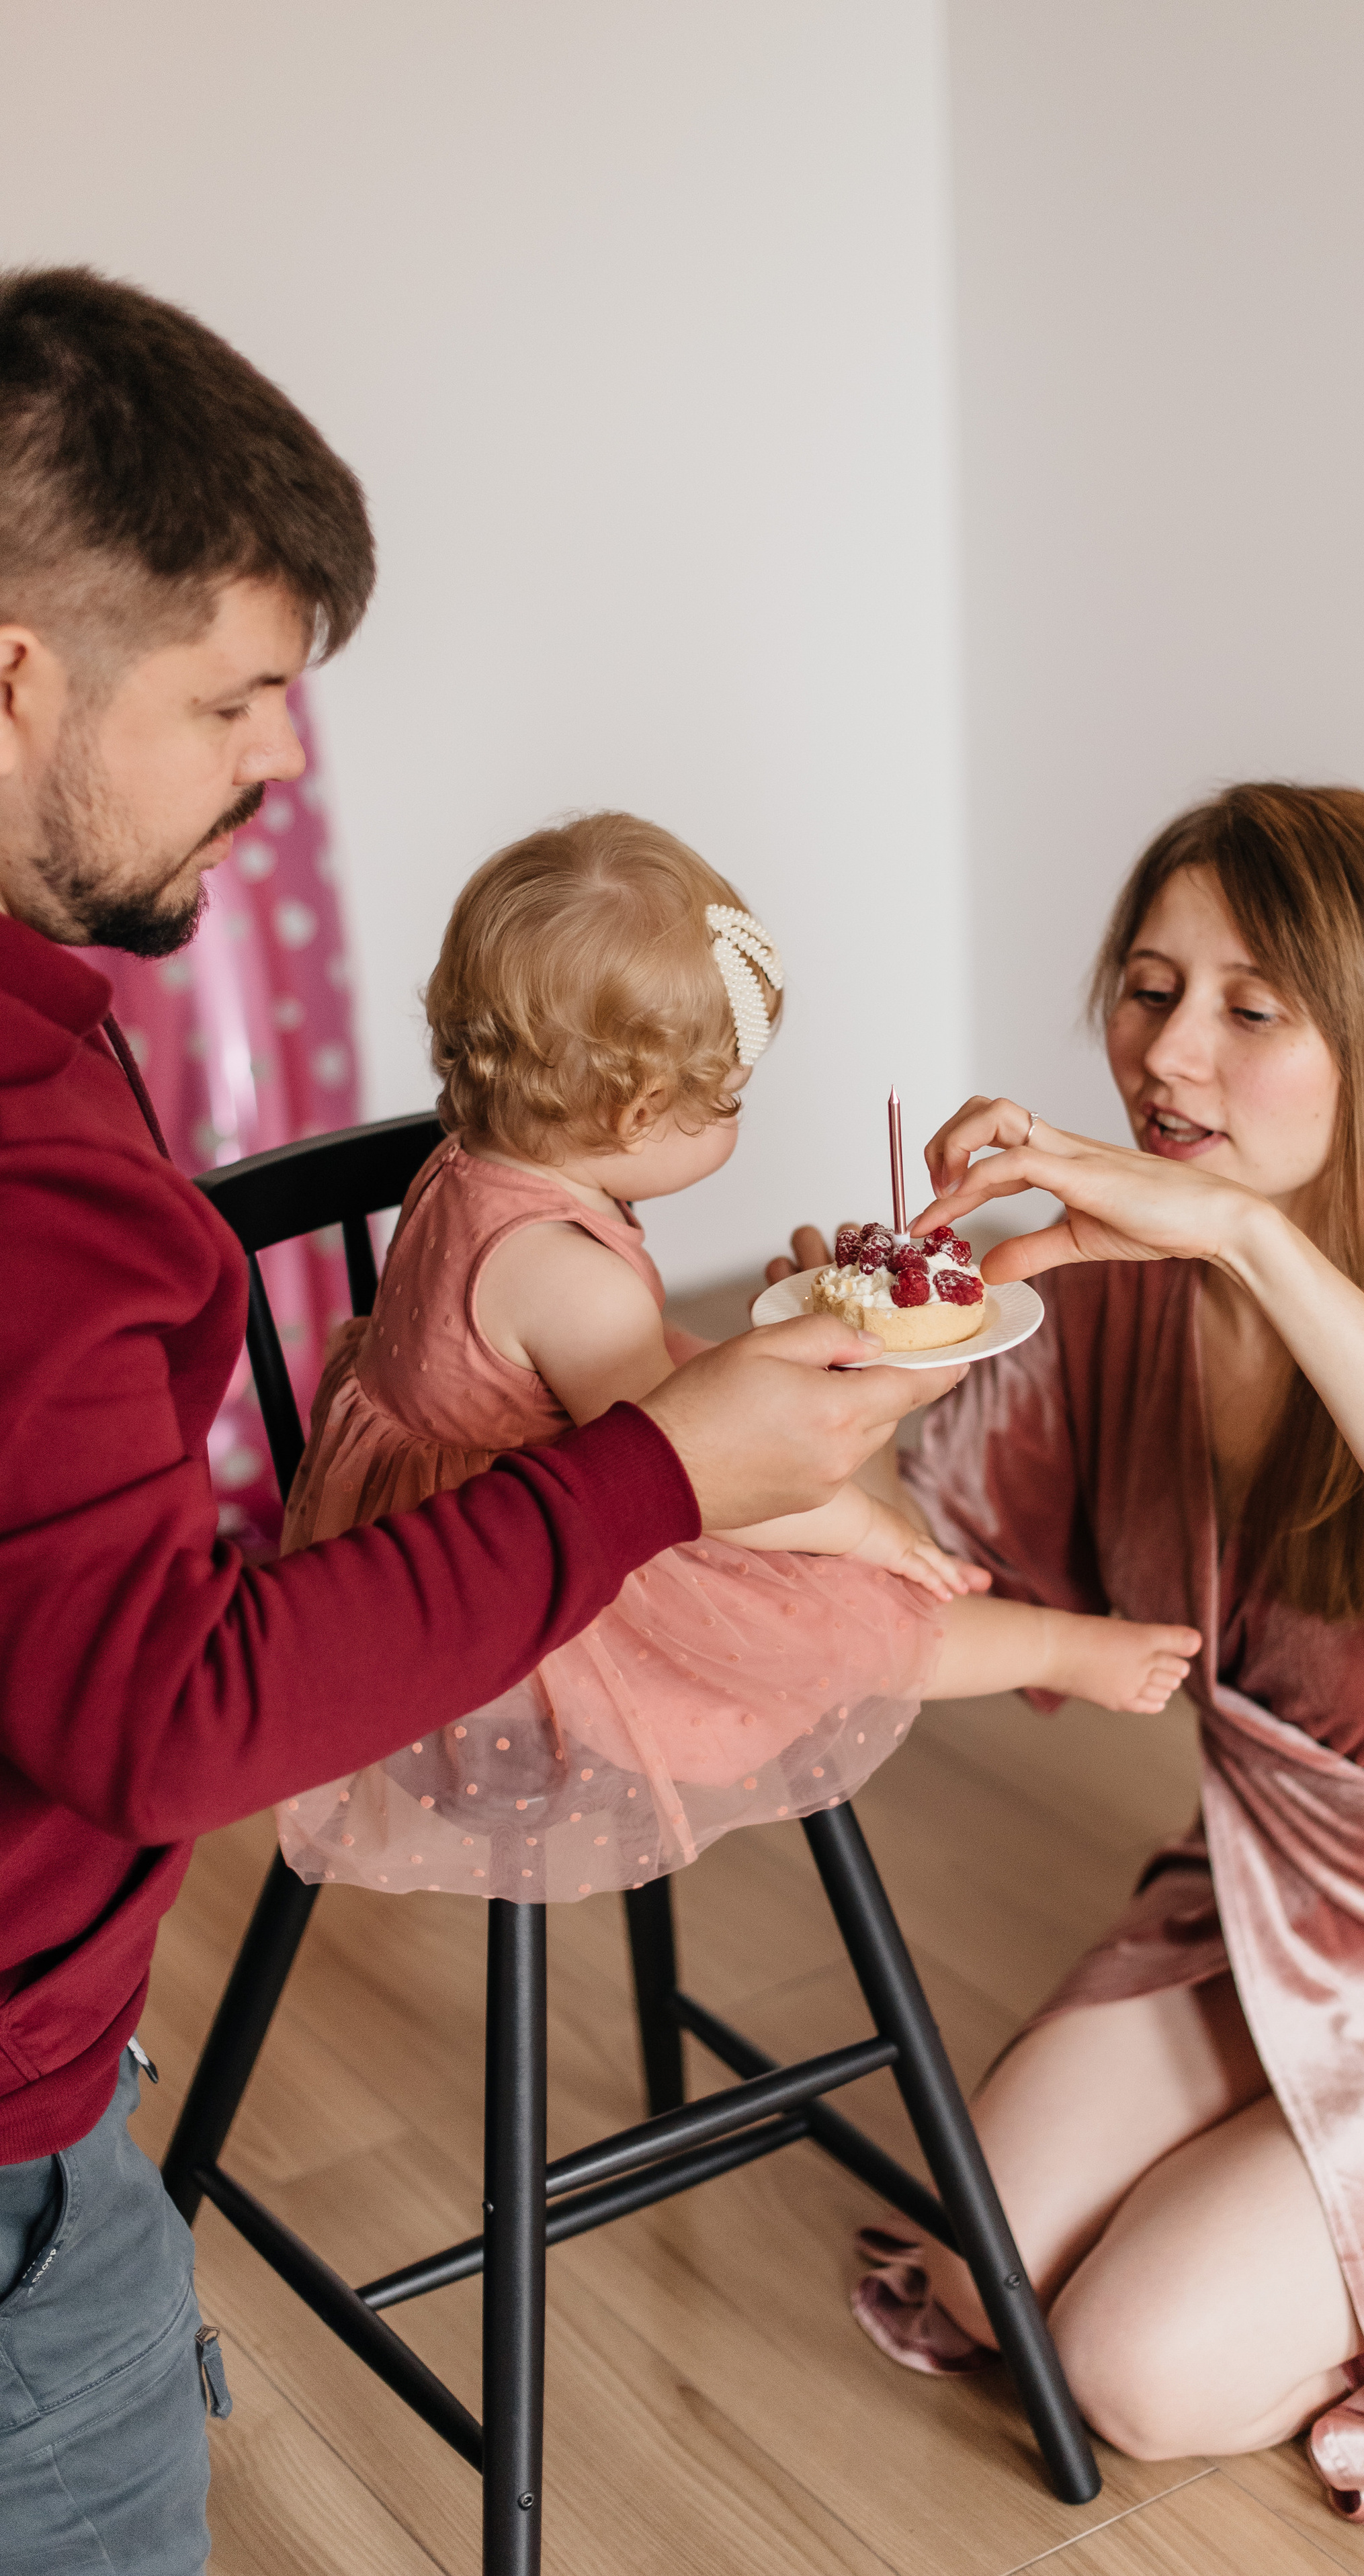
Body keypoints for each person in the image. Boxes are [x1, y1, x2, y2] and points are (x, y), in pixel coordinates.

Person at [0, 267, 966, 2574]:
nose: (283, 764)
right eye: (235, 696)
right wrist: (675, 1470)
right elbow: (164, 1711)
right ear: (17, 674)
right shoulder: (33, 1160)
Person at [774, 784, 1364, 2558]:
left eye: (1249, 1007)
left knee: (1128, 2373)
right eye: (1146, 989)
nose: (1166, 1052)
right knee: (979, 2281)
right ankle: (1299, 2178)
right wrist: (841, 1364)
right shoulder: (1110, 1298)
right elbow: (920, 1554)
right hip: (1265, 1900)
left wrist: (1253, 1242)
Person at [279, 812, 1202, 1901]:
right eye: (726, 1100)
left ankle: (1006, 1613)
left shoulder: (468, 1165)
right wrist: (868, 1528)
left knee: (821, 1521)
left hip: (419, 1560)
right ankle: (1058, 1649)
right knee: (842, 1606)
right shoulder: (566, 1274)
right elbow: (698, 1473)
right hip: (502, 1630)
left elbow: (594, 1389)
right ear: (637, 1110)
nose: (736, 1118)